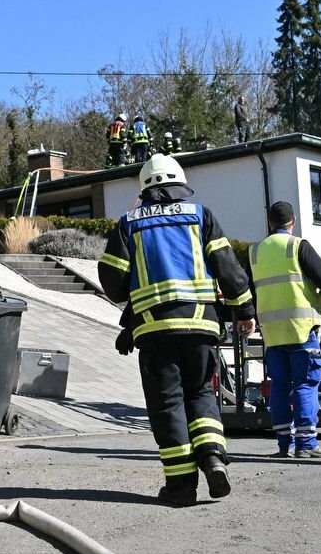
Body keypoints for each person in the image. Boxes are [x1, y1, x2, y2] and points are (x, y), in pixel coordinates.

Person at [100, 154, 256, 506]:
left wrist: (132, 321)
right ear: (179, 184)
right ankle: (212, 457)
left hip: (155, 332)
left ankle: (181, 487)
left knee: (168, 404)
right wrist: (245, 310)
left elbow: (113, 282)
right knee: (201, 392)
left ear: (144, 188)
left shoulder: (129, 224)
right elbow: (228, 268)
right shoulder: (200, 216)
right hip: (201, 326)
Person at [250, 201, 321, 459]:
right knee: (305, 384)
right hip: (301, 328)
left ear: (270, 223)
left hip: (271, 332)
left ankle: (283, 444)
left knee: (279, 386)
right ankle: (306, 443)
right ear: (293, 221)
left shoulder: (255, 252)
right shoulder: (298, 246)